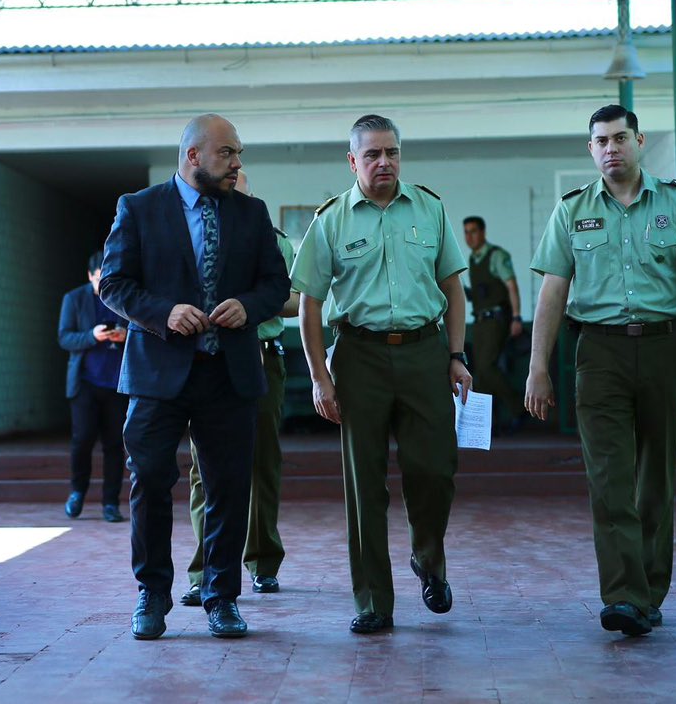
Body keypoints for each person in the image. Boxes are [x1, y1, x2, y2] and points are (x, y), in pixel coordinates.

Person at [526, 104, 676, 637]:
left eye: (621, 138)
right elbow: (553, 289)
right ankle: (624, 595)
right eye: (601, 141)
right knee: (608, 480)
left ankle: (649, 590)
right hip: (597, 354)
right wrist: (538, 369)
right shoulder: (572, 210)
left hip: (666, 347)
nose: (611, 148)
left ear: (639, 141)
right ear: (590, 149)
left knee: (654, 478)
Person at [100, 114, 290, 641]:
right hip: (158, 375)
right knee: (151, 485)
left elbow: (276, 285)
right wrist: (164, 313)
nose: (237, 164)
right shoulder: (138, 209)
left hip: (229, 376)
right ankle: (152, 595)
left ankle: (222, 597)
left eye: (238, 154)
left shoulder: (251, 214)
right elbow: (113, 284)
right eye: (228, 153)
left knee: (230, 489)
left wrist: (247, 307)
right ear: (193, 156)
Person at [291, 113, 472, 635]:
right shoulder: (330, 220)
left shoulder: (430, 209)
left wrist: (457, 356)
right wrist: (320, 379)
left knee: (435, 472)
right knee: (363, 484)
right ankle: (373, 601)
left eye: (391, 152)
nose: (384, 162)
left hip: (424, 353)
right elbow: (309, 305)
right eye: (371, 154)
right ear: (353, 161)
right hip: (358, 357)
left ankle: (428, 558)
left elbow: (454, 291)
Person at [180, 170, 300, 607]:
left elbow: (296, 297)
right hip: (206, 359)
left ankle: (262, 562)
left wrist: (251, 300)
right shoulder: (196, 238)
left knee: (262, 462)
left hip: (260, 354)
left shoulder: (273, 239)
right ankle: (204, 569)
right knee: (202, 470)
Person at [57, 250, 129, 523]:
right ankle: (77, 493)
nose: (105, 282)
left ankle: (111, 503)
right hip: (85, 383)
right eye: (101, 277)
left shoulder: (123, 297)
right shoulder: (74, 299)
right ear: (90, 276)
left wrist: (126, 335)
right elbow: (65, 338)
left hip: (116, 384)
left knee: (114, 445)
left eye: (110, 276)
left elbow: (142, 331)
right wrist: (92, 336)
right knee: (82, 440)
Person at [462, 216, 525, 433]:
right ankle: (492, 420)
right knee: (480, 371)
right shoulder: (473, 259)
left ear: (483, 232)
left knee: (487, 368)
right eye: (466, 232)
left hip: (496, 320)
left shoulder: (496, 255)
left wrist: (517, 317)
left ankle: (518, 410)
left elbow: (511, 286)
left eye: (473, 231)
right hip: (479, 320)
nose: (469, 237)